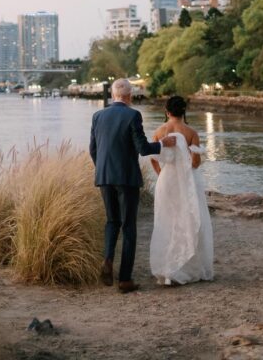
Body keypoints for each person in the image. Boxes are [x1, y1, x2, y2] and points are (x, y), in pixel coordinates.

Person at [89, 77, 176, 293]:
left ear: (112, 95)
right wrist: (162, 144)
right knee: (128, 227)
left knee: (112, 221)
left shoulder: (98, 116)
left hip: (104, 176)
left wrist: (102, 169)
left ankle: (108, 259)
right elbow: (143, 149)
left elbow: (93, 149)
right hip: (127, 178)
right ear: (129, 96)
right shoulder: (133, 115)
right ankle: (125, 279)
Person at [149, 94, 214, 285]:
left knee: (167, 221)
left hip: (166, 180)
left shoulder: (159, 132)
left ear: (167, 112)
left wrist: (161, 172)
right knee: (191, 220)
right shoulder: (191, 132)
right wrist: (184, 168)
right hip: (186, 181)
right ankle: (188, 266)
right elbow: (195, 162)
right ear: (183, 111)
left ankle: (167, 266)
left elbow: (153, 157)